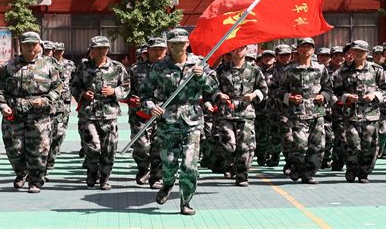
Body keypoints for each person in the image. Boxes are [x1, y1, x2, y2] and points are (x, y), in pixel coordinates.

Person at [140, 28, 217, 216]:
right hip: (168, 121)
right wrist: (151, 107)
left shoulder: (199, 64)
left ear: (187, 44)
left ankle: (186, 201)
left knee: (190, 165)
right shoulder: (159, 68)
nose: (178, 47)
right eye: (173, 44)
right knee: (169, 164)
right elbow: (145, 94)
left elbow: (213, 89)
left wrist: (201, 77)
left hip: (192, 120)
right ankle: (167, 183)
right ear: (168, 45)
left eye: (181, 43)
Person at [0, 31, 62, 193]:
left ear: (39, 46)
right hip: (14, 115)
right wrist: (3, 106)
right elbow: (0, 89)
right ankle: (21, 172)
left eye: (33, 44)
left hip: (39, 115)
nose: (31, 47)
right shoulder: (9, 66)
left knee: (39, 150)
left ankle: (35, 181)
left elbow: (58, 88)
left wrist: (45, 100)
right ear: (21, 46)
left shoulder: (49, 65)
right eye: (27, 45)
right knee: (14, 149)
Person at [71, 36, 130, 190]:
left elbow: (126, 86)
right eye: (97, 48)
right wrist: (83, 93)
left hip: (109, 114)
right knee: (92, 147)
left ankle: (104, 178)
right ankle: (92, 172)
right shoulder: (84, 67)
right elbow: (74, 86)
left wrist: (114, 91)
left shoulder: (117, 67)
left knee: (109, 150)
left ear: (108, 49)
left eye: (103, 48)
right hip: (88, 114)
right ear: (91, 50)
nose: (100, 51)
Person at [332, 40, 386, 183]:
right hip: (350, 114)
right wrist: (346, 97)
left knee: (369, 145)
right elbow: (335, 91)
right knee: (352, 143)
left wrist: (375, 95)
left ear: (366, 53)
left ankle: (364, 172)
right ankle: (352, 168)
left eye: (361, 51)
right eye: (355, 51)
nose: (358, 54)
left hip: (371, 114)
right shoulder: (342, 71)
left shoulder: (376, 69)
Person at [278, 37, 333, 184]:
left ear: (313, 50)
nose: (305, 50)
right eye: (302, 47)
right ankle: (295, 165)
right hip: (297, 113)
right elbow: (280, 91)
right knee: (300, 144)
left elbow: (328, 89)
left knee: (317, 146)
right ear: (298, 49)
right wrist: (290, 97)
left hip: (317, 111)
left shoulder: (320, 69)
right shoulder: (289, 70)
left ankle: (308, 173)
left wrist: (323, 96)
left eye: (309, 47)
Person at [213, 45, 268, 186]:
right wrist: (219, 95)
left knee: (246, 146)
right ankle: (231, 163)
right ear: (231, 50)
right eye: (235, 48)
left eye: (241, 48)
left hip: (246, 113)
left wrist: (254, 95)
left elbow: (263, 89)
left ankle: (242, 175)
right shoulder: (222, 70)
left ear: (246, 50)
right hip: (226, 113)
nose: (238, 51)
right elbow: (212, 88)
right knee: (228, 145)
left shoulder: (254, 70)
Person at [127, 36, 167, 187]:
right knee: (142, 146)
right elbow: (126, 89)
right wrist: (132, 98)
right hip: (140, 114)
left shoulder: (171, 69)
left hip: (163, 114)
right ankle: (143, 169)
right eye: (154, 49)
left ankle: (156, 177)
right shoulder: (136, 69)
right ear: (148, 50)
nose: (158, 52)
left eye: (161, 49)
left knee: (159, 146)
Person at [47, 42, 75, 175]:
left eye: (61, 51)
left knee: (60, 132)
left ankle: (53, 152)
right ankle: (47, 157)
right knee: (49, 131)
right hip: (51, 102)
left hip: (65, 102)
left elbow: (75, 82)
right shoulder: (47, 63)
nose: (59, 53)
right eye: (56, 51)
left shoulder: (70, 64)